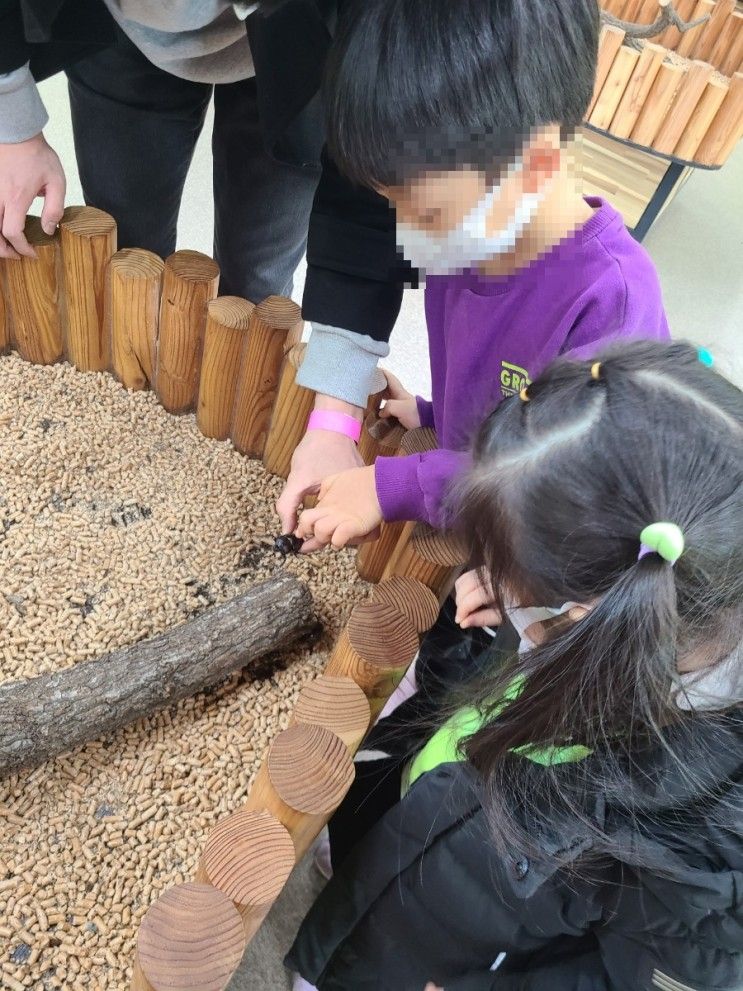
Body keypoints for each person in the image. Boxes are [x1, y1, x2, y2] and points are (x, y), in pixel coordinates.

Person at [287, 338, 743, 990]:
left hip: (438, 956)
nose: (481, 580)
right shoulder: (626, 596)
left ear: (582, 622)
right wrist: (497, 616)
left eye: (500, 569)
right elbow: (466, 698)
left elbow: (614, 973)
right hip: (419, 845)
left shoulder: (700, 848)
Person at [0, 0, 409, 527]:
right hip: (118, 40)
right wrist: (12, 121)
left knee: (258, 291)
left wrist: (336, 419)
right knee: (129, 260)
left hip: (308, 51)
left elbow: (370, 186)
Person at [295, 0, 671, 557]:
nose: (404, 235)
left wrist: (392, 484)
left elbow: (561, 481)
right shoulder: (472, 232)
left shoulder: (610, 301)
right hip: (476, 519)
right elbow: (513, 397)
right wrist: (432, 414)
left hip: (547, 560)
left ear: (535, 168)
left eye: (425, 212)